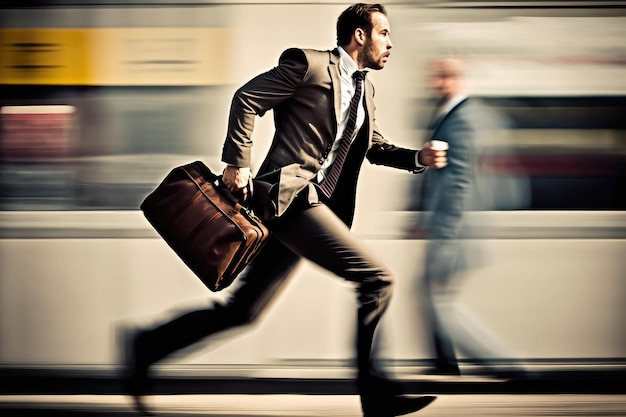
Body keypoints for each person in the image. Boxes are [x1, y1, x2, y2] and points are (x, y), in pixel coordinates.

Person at [122, 4, 447, 416]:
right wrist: (237, 162)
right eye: (384, 33)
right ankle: (375, 392)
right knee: (377, 279)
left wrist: (417, 156)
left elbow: (375, 149)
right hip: (290, 199)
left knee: (244, 311)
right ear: (359, 36)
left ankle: (146, 345)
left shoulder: (366, 89)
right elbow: (247, 98)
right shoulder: (308, 65)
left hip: (316, 207)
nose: (390, 42)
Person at [408, 57, 528, 377]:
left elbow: (458, 181)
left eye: (442, 77)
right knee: (431, 295)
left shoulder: (462, 119)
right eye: (434, 77)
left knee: (438, 299)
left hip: (455, 227)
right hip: (451, 225)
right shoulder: (457, 114)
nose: (435, 83)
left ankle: (506, 366)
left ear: (459, 79)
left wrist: (444, 229)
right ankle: (445, 366)